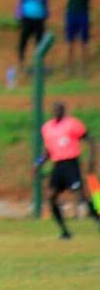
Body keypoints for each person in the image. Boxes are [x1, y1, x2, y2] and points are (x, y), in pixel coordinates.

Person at [36, 101, 99, 239]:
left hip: (71, 163)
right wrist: (39, 163)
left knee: (81, 196)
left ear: (64, 111)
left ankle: (97, 219)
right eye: (55, 109)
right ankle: (64, 231)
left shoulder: (72, 124)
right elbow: (48, 150)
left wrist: (92, 161)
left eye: (59, 109)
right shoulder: (47, 128)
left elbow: (90, 140)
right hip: (58, 165)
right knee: (51, 197)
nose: (57, 111)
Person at [63, 0, 96, 75]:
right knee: (69, 41)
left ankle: (84, 68)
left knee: (84, 41)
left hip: (83, 11)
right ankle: (69, 67)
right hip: (71, 11)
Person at [15, 0, 50, 68]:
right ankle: (21, 61)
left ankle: (39, 63)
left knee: (39, 40)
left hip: (39, 14)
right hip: (27, 14)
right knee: (24, 38)